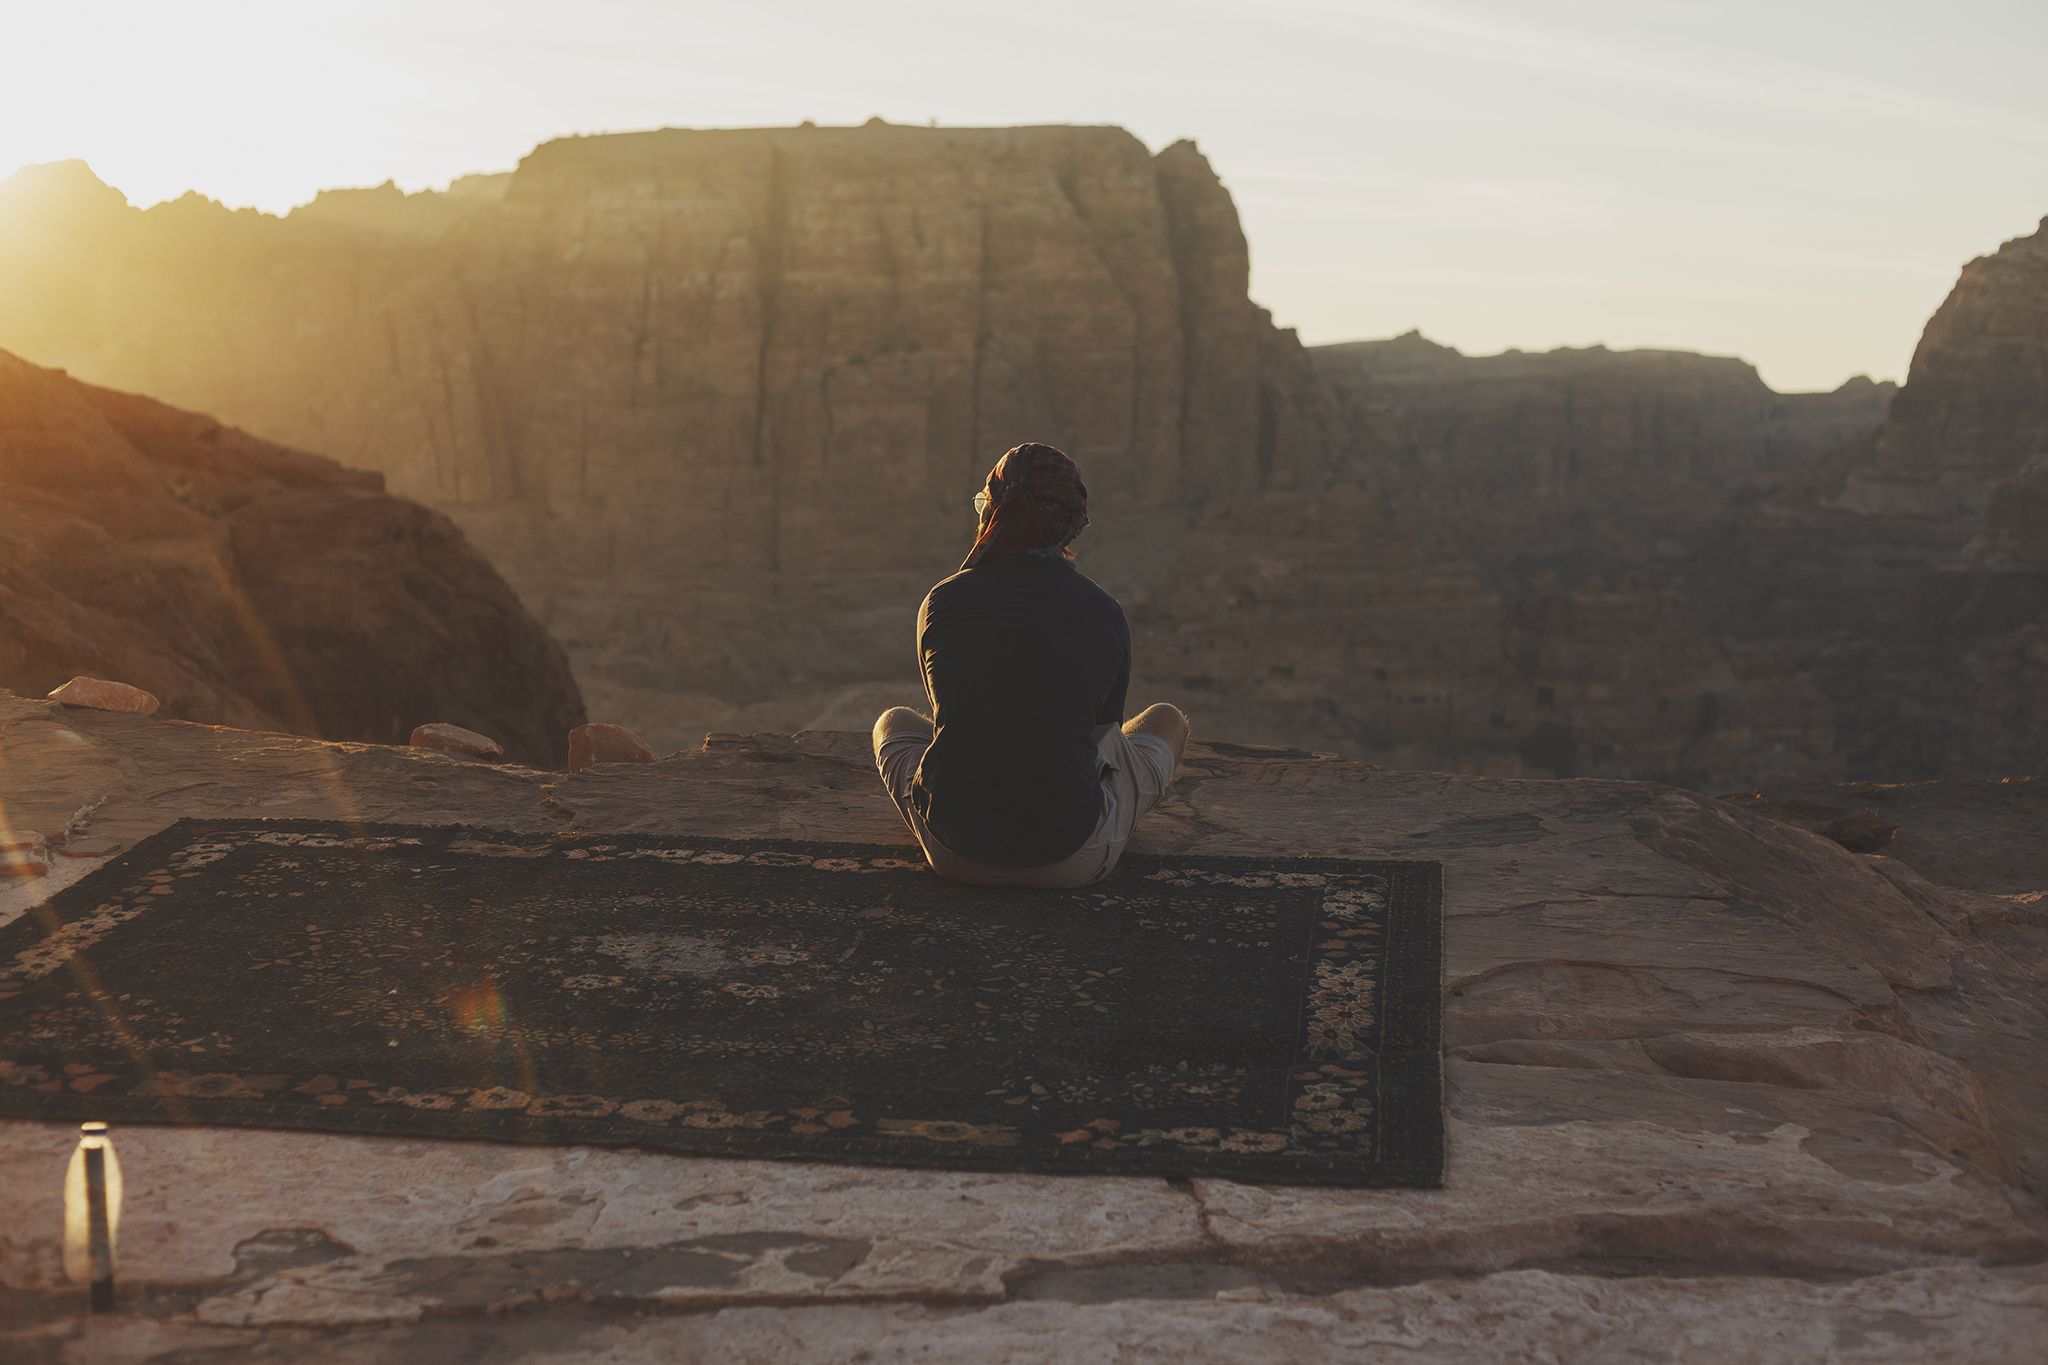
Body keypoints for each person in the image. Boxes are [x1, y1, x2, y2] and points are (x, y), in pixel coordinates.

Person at [872, 442, 1189, 888]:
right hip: (1067, 859)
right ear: (1071, 527)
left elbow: (953, 717)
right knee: (1165, 720)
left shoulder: (941, 601)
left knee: (894, 720)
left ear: (995, 512)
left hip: (952, 849)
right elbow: (1105, 734)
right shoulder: (1104, 612)